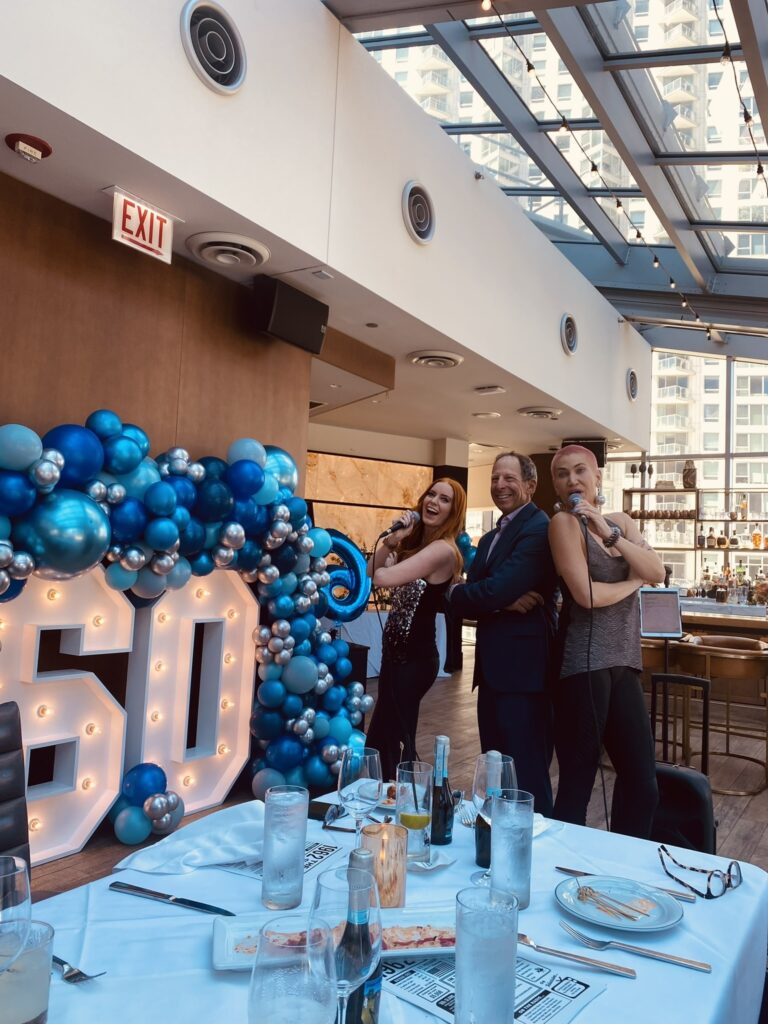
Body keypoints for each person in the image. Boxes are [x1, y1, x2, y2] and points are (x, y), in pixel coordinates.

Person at [548, 445, 664, 839]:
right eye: (562, 474)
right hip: (583, 665)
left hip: (625, 661)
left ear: (598, 477)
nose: (572, 480)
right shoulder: (563, 524)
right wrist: (633, 582)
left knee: (642, 781)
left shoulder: (621, 523)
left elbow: (658, 570)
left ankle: (626, 863)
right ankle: (562, 870)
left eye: (580, 471)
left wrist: (608, 532)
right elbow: (587, 596)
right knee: (579, 782)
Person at [447, 452, 557, 815]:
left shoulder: (539, 527)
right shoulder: (494, 534)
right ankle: (498, 848)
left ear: (530, 485)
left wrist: (481, 595)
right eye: (495, 478)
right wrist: (498, 601)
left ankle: (536, 856)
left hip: (523, 675)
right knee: (495, 772)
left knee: (526, 777)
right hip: (492, 672)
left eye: (509, 478)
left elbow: (488, 589)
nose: (499, 485)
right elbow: (482, 594)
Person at [365, 477, 467, 779]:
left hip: (415, 659)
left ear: (454, 511)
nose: (433, 502)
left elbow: (381, 579)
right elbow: (371, 571)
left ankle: (401, 804)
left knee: (392, 737)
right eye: (431, 494)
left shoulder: (443, 550)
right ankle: (393, 805)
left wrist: (390, 568)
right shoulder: (419, 544)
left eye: (444, 499)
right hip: (394, 655)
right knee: (387, 736)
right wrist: (393, 541)